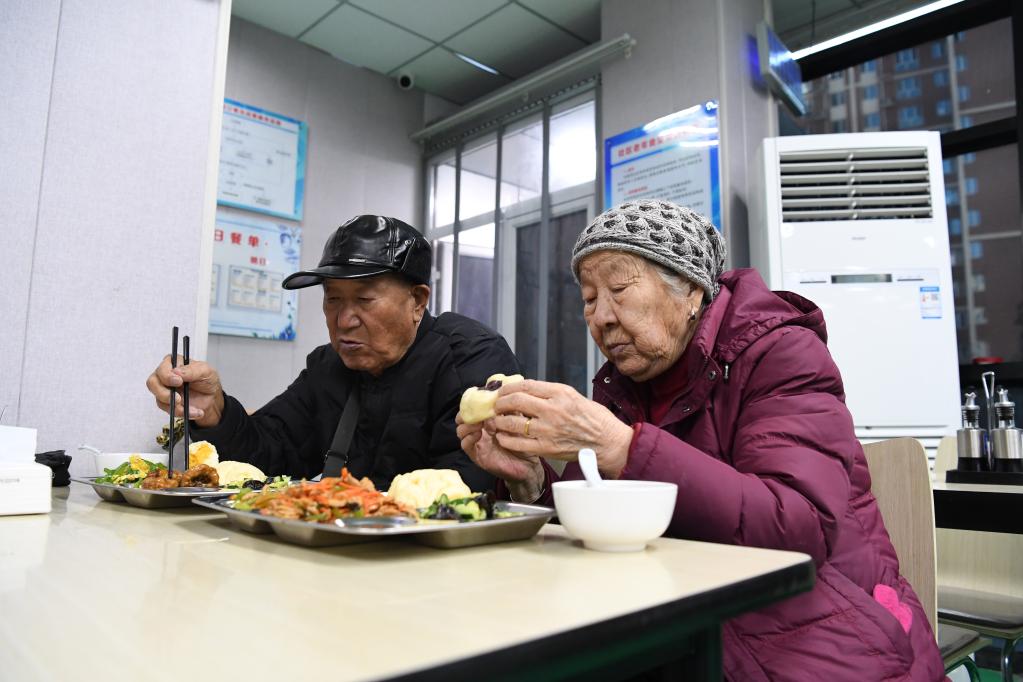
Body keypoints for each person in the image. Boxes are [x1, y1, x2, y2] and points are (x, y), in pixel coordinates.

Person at [457, 200, 944, 680]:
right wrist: (528, 482)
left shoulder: (782, 353)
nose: (601, 316)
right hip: (680, 626)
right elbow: (599, 534)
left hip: (819, 630)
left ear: (691, 289)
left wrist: (621, 447)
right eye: (588, 299)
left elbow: (798, 525)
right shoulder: (622, 388)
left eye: (620, 289)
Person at [147, 215, 516, 492]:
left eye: (364, 299)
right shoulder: (328, 367)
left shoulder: (471, 358)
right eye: (333, 299)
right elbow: (266, 452)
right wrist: (214, 412)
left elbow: (473, 487)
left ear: (417, 301)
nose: (344, 320)